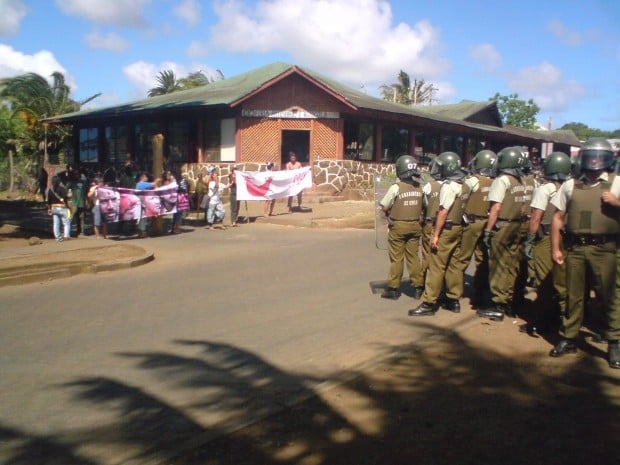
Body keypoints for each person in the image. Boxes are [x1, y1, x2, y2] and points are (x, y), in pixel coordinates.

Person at [548, 137, 620, 369]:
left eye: (599, 156)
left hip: (606, 248)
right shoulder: (570, 185)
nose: (594, 161)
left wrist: (617, 202)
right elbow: (558, 218)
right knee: (573, 295)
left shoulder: (616, 183)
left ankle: (614, 343)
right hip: (576, 247)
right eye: (590, 156)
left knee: (610, 296)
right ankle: (569, 337)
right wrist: (555, 248)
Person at [409, 151, 476, 316]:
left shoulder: (448, 186)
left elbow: (443, 211)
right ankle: (453, 300)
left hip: (446, 229)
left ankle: (429, 302)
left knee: (436, 266)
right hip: (458, 228)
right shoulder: (465, 185)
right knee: (454, 265)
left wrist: (436, 234)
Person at [520, 151, 571, 335]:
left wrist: (530, 240)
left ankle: (541, 321)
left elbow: (536, 217)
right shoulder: (569, 187)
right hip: (564, 238)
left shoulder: (544, 189)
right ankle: (560, 316)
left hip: (546, 239)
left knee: (544, 282)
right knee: (561, 280)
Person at [477, 146, 529, 322]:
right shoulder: (520, 181)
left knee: (498, 265)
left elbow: (496, 207)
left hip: (503, 225)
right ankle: (507, 301)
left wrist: (488, 230)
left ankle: (497, 305)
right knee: (510, 265)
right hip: (517, 225)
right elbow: (523, 208)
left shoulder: (502, 180)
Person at [450, 149, 495, 309]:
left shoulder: (472, 181)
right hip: (487, 222)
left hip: (471, 223)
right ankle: (481, 293)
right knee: (482, 260)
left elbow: (460, 201)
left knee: (461, 259)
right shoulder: (495, 182)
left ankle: (454, 296)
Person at [378, 155, 425, 300]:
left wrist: (387, 217)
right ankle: (418, 288)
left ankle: (393, 289)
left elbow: (384, 207)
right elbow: (425, 207)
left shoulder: (396, 187)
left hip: (398, 226)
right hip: (415, 226)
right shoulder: (420, 187)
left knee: (397, 259)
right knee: (413, 258)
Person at [46, 175, 71, 242]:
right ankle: (66, 236)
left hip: (54, 208)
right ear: (59, 181)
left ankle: (58, 238)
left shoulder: (50, 190)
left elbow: (48, 201)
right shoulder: (63, 189)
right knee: (66, 222)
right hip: (62, 207)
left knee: (56, 223)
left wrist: (49, 209)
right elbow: (66, 198)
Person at [135, 172, 158, 238]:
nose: (147, 178)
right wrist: (157, 180)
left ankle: (140, 232)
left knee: (142, 218)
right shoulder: (141, 184)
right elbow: (153, 184)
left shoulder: (139, 184)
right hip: (142, 203)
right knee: (143, 218)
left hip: (141, 203)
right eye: (145, 177)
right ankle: (142, 232)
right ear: (141, 177)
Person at [66, 169, 86, 237]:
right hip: (73, 203)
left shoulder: (84, 182)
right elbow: (66, 191)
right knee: (71, 217)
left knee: (82, 217)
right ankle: (68, 232)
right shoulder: (70, 183)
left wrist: (87, 201)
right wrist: (68, 200)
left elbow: (86, 191)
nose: (76, 175)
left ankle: (82, 231)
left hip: (81, 202)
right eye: (75, 174)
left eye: (77, 174)